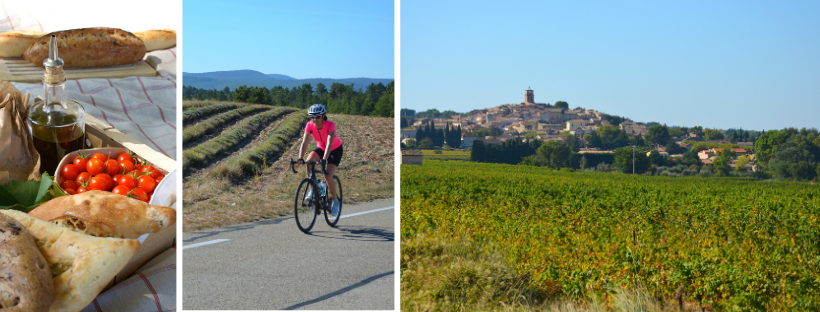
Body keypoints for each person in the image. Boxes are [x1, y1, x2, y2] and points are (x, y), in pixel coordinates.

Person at [297, 104, 343, 216]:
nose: (314, 119)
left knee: (328, 176)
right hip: (321, 148)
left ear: (323, 116)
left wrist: (324, 159)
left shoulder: (330, 125)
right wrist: (300, 157)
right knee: (308, 163)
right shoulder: (309, 125)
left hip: (334, 150)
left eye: (317, 117)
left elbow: (329, 143)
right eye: (312, 117)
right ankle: (313, 189)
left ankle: (336, 200)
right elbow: (305, 141)